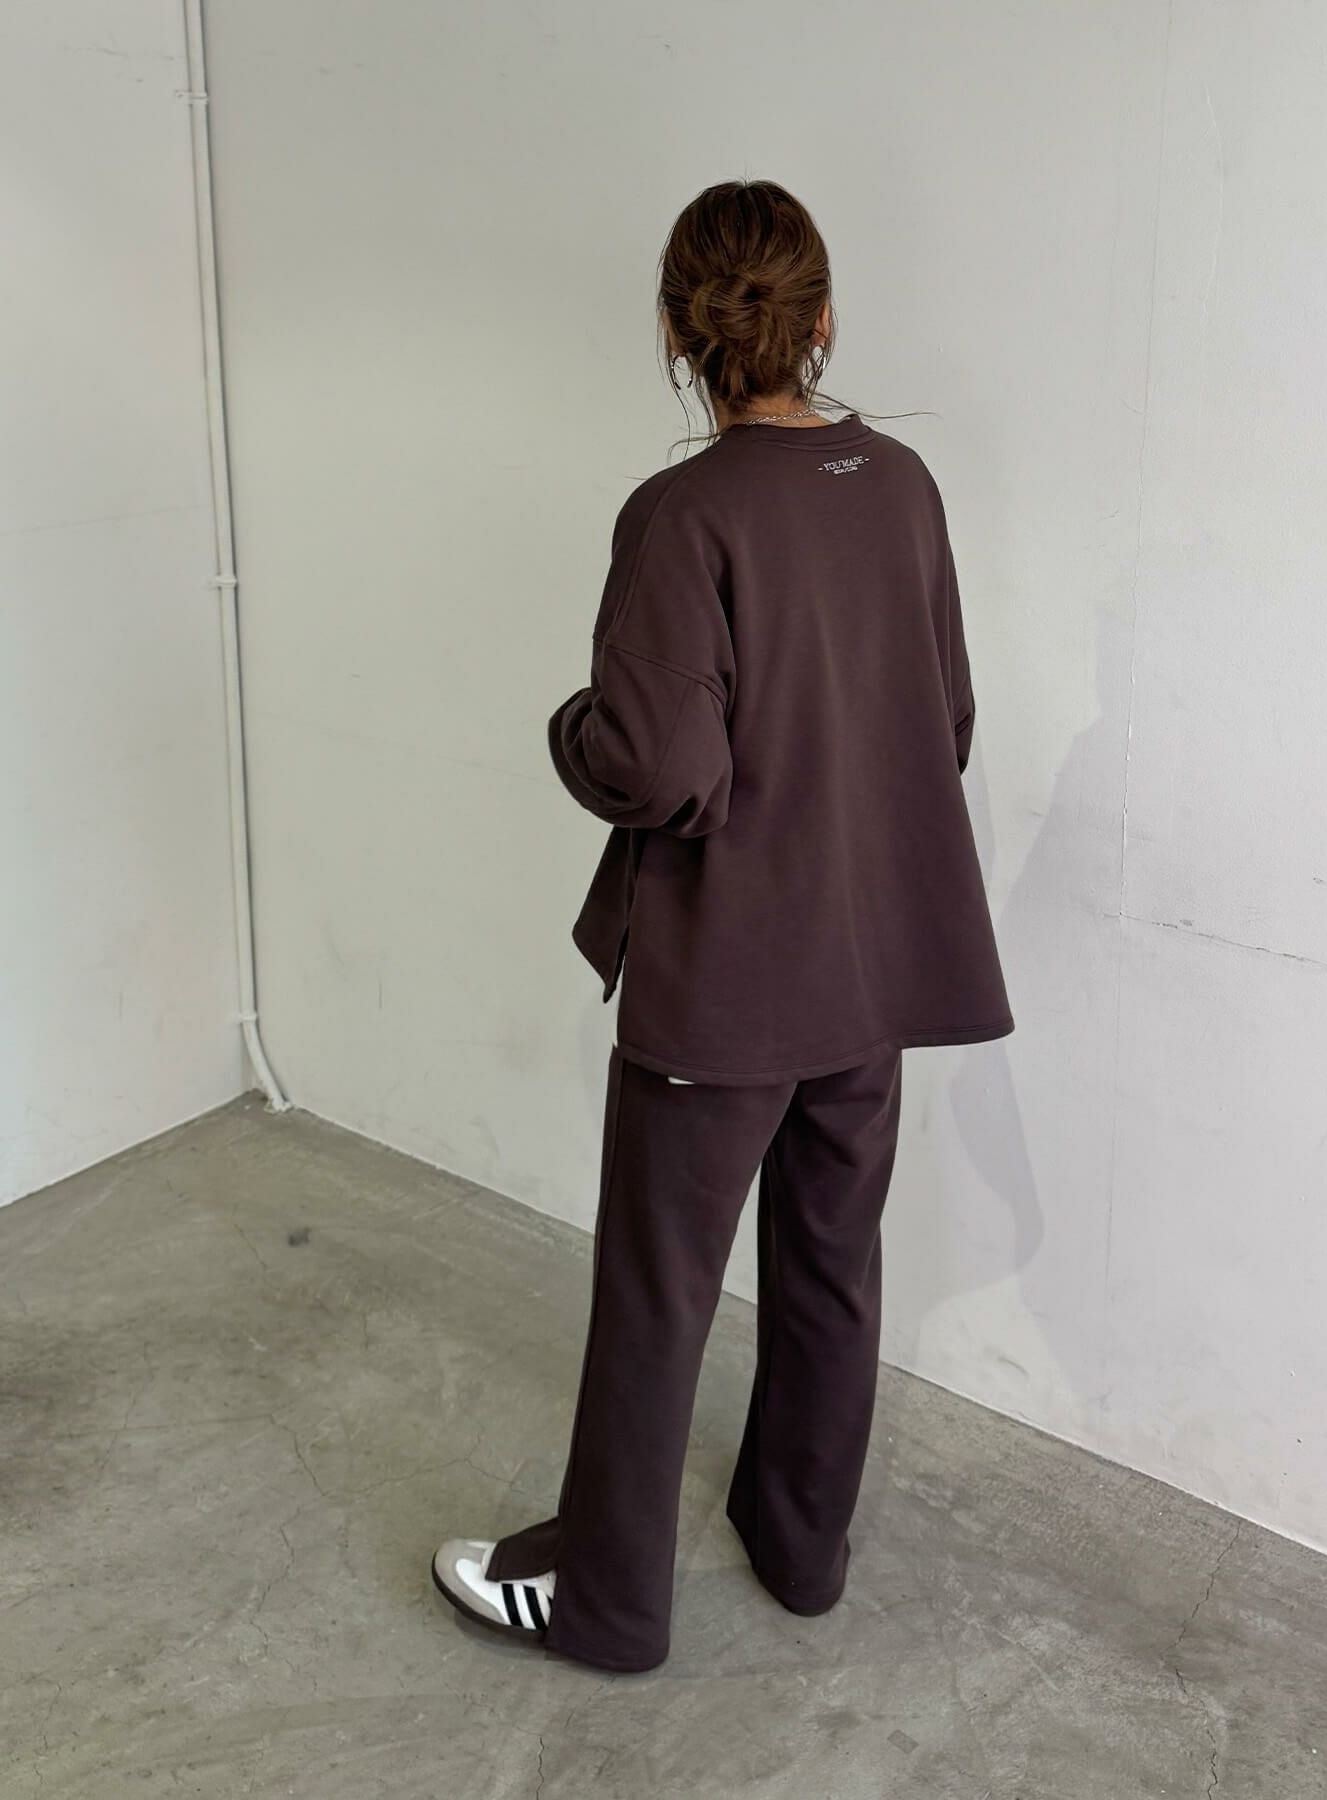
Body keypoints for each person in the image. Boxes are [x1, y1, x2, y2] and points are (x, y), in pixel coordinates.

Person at [432, 179, 1013, 1674]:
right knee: (831, 1264)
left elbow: (658, 767)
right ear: (824, 321)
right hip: (874, 964)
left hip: (730, 977)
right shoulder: (903, 485)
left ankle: (608, 1605)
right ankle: (802, 1549)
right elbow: (944, 720)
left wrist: (571, 729)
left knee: (660, 1291)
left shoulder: (680, 514)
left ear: (680, 335)